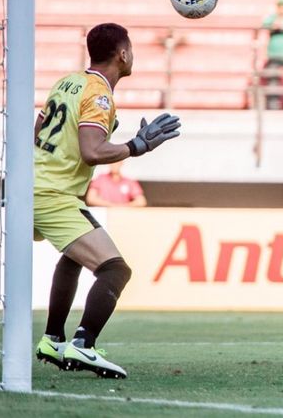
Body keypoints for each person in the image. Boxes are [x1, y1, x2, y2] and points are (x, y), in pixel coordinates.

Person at [33, 23, 181, 379]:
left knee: (72, 258)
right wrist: (136, 146)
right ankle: (83, 345)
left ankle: (53, 339)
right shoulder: (99, 94)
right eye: (131, 49)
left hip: (36, 186)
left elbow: (38, 132)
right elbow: (91, 151)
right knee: (116, 269)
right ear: (123, 54)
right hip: (52, 194)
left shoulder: (67, 82)